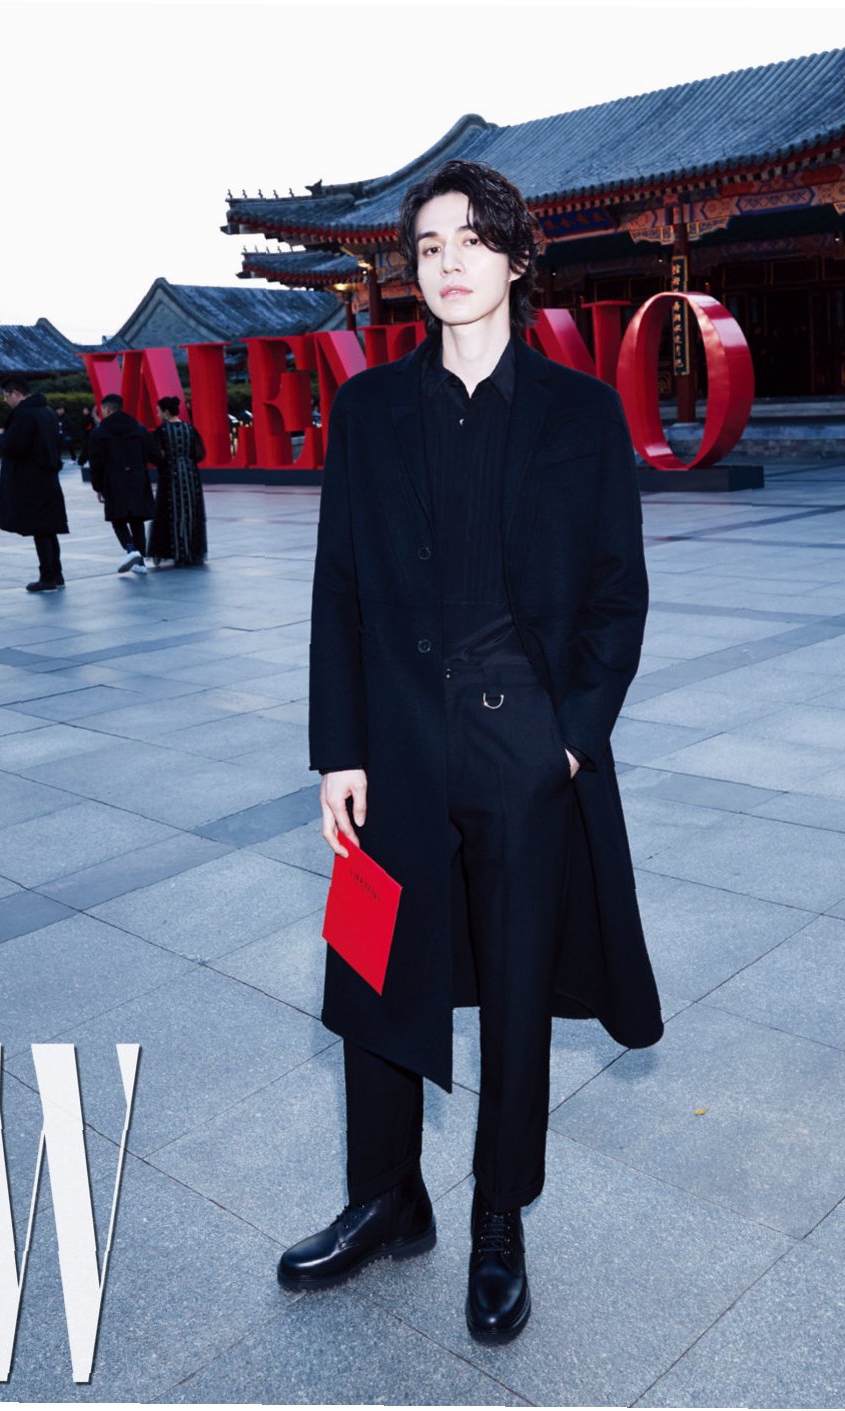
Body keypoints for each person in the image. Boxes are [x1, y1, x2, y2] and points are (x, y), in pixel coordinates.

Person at [280, 160, 662, 1342]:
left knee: (512, 984)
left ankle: (499, 1215)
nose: (448, 262)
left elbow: (616, 597)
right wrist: (337, 748)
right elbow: (337, 587)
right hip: (390, 740)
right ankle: (384, 1196)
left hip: (522, 749)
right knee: (371, 968)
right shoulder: (368, 410)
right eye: (429, 244)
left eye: (471, 239)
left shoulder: (580, 414)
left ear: (514, 257)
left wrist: (568, 743)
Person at [0, 374, 68, 592]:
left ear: (16, 393)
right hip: (49, 477)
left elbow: (13, 447)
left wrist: (0, 437)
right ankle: (57, 574)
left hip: (31, 480)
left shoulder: (24, 414)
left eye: (6, 396)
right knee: (49, 529)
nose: (6, 401)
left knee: (40, 529)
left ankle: (47, 577)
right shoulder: (47, 411)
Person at [87, 394, 158, 574]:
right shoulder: (139, 429)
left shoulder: (99, 433)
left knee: (117, 519)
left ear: (107, 409)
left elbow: (96, 464)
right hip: (137, 478)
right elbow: (154, 454)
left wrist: (98, 487)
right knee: (137, 520)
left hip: (113, 480)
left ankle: (130, 549)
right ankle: (140, 562)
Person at [150, 396, 207, 567]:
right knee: (190, 510)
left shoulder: (162, 431)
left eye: (159, 411)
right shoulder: (190, 429)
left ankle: (176, 551)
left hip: (170, 475)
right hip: (190, 475)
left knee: (171, 511)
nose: (157, 414)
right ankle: (191, 552)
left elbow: (155, 456)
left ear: (166, 412)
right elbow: (199, 454)